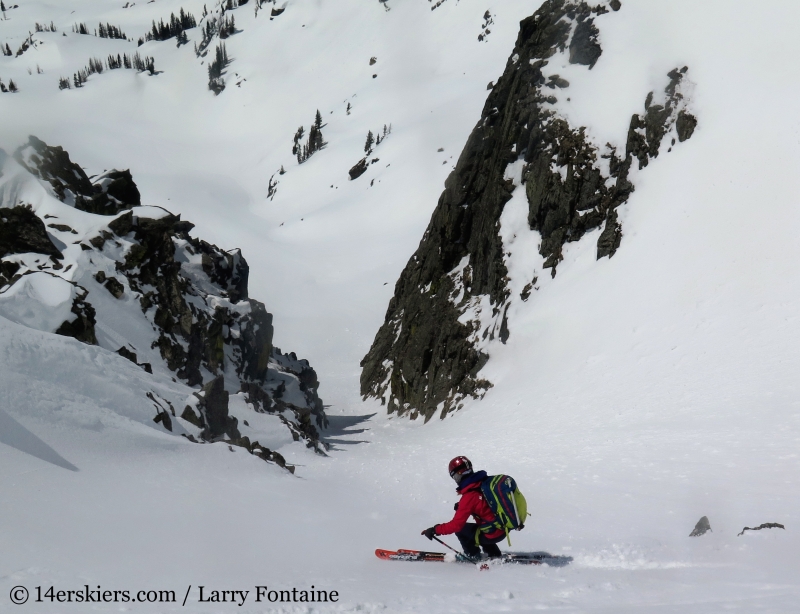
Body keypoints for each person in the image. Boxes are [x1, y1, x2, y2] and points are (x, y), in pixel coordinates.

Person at [421, 456, 505, 559]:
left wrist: (435, 530)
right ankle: (494, 553)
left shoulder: (469, 496)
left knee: (462, 530)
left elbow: (456, 525)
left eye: (455, 476)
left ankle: (472, 556)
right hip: (502, 527)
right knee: (481, 527)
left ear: (458, 475)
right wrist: (464, 506)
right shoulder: (482, 483)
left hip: (493, 533)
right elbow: (483, 505)